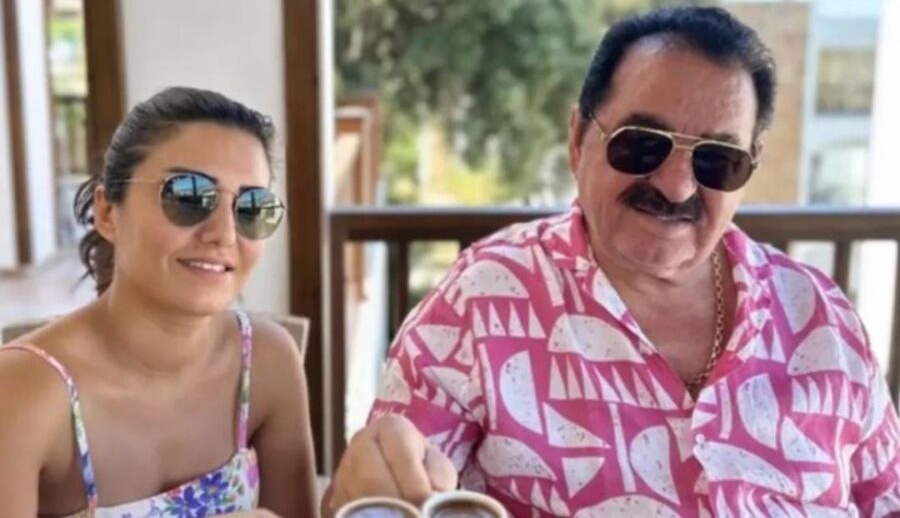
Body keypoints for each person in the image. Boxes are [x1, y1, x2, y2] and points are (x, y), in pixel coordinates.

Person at [326, 6, 900, 517]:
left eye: (717, 160)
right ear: (579, 139)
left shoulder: (823, 318)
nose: (676, 186)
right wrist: (363, 485)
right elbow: (381, 496)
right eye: (642, 143)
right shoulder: (481, 302)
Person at [0, 87, 317, 517]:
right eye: (187, 196)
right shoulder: (22, 392)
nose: (224, 234)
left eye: (251, 207)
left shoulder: (266, 363)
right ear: (107, 213)